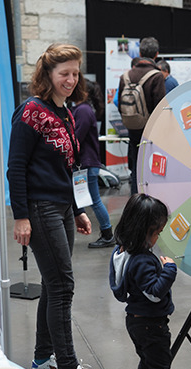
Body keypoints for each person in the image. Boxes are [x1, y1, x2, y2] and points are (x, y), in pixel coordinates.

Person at [7, 43, 113, 369]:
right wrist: (21, 216)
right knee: (63, 287)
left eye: (74, 73)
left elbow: (69, 168)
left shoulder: (67, 112)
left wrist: (79, 209)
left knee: (54, 287)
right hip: (40, 209)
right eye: (63, 74)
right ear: (47, 75)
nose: (70, 80)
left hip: (63, 208)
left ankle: (42, 361)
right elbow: (16, 168)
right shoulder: (30, 112)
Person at [109, 193, 177, 369]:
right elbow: (154, 294)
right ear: (143, 231)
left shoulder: (121, 251)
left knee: (148, 363)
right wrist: (169, 270)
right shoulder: (142, 261)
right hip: (152, 326)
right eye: (157, 233)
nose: (158, 238)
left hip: (136, 322)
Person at [118, 37, 166, 195]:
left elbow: (120, 105)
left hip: (132, 128)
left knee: (136, 168)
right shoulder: (157, 76)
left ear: (139, 52)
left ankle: (135, 201)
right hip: (151, 131)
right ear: (157, 54)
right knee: (152, 168)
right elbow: (160, 107)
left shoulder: (126, 75)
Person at [72, 78, 115, 248]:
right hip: (87, 163)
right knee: (93, 199)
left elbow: (76, 137)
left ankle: (107, 234)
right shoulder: (82, 108)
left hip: (86, 163)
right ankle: (107, 233)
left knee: (94, 199)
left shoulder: (82, 110)